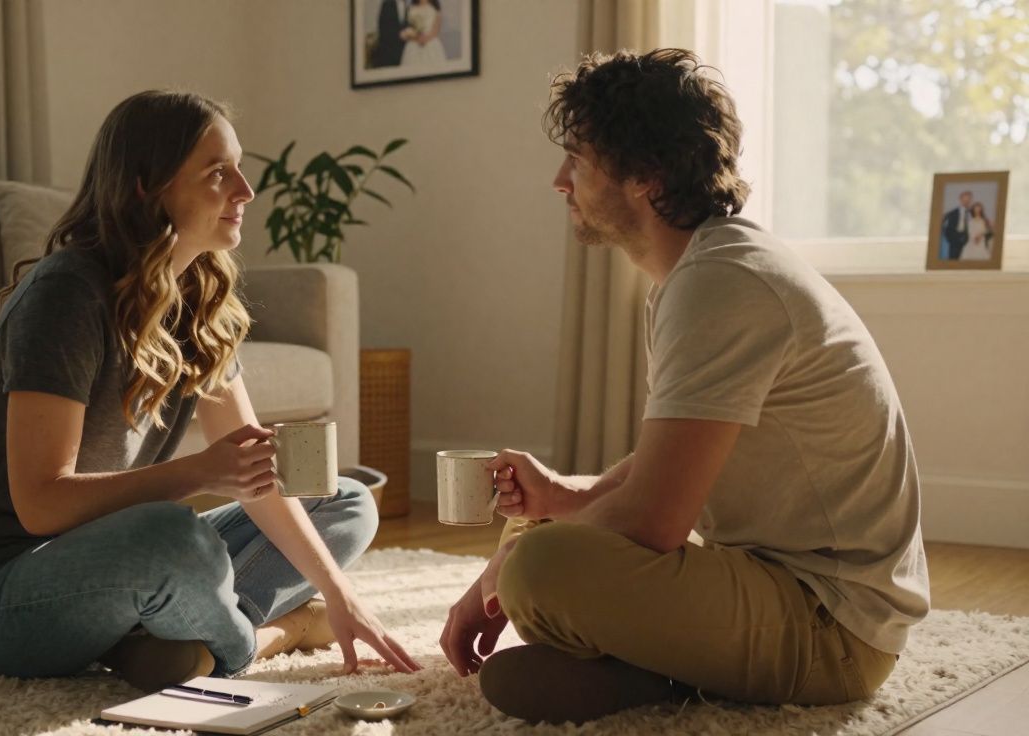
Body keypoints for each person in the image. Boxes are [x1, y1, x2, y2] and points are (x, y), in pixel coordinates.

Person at [438, 48, 929, 724]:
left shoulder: (719, 284)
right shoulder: (702, 272)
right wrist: (565, 494)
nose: (559, 180)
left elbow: (652, 521)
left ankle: (673, 671)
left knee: (536, 567)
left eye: (578, 160)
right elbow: (680, 457)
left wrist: (500, 573)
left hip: (833, 625)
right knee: (530, 598)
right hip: (778, 584)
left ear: (645, 174)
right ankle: (679, 672)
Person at [0, 90, 421, 694]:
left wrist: (343, 598)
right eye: (218, 172)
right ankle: (263, 638)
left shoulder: (198, 297)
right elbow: (41, 506)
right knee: (173, 539)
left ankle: (165, 636)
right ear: (146, 187)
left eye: (238, 167)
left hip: (118, 568)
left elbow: (257, 471)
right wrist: (200, 474)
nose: (245, 189)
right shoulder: (67, 295)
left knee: (345, 500)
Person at [400, 0, 447, 67]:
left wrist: (426, 38)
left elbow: (436, 29)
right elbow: (409, 27)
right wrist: (415, 37)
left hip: (431, 43)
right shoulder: (411, 8)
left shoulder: (434, 7)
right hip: (414, 44)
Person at [371, 0, 409, 68]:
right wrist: (399, 36)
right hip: (388, 52)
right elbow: (383, 28)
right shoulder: (387, 4)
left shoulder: (409, 6)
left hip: (405, 53)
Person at [942, 190, 974, 260]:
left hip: (969, 242)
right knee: (953, 262)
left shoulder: (973, 213)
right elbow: (946, 228)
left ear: (971, 200)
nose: (966, 201)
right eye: (965, 199)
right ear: (960, 199)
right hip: (954, 242)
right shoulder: (952, 213)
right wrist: (952, 240)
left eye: (968, 199)